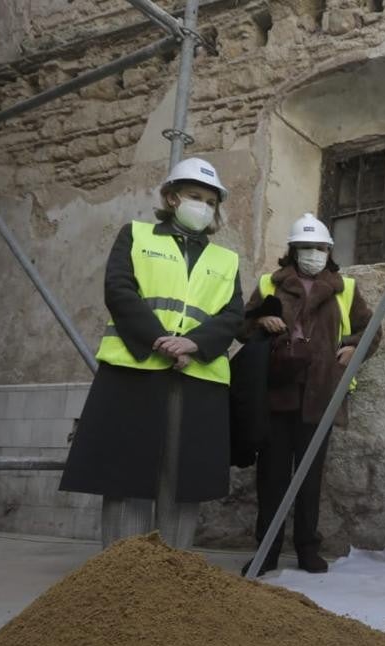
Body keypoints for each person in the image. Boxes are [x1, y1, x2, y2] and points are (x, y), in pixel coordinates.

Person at [61, 157, 243, 550]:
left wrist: (194, 343)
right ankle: (123, 572)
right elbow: (120, 290)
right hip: (137, 367)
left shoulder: (225, 260)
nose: (204, 207)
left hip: (197, 376)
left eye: (211, 202)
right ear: (172, 197)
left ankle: (171, 578)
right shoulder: (137, 235)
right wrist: (161, 340)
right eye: (195, 196)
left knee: (181, 480)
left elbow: (232, 315)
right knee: (129, 472)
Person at [240, 213, 381, 576]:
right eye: (305, 247)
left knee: (310, 476)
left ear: (329, 251)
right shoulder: (269, 284)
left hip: (321, 394)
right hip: (277, 393)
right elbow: (241, 326)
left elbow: (371, 331)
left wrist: (353, 349)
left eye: (318, 247)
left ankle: (307, 547)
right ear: (293, 250)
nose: (312, 253)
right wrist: (260, 322)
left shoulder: (344, 288)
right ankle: (266, 550)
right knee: (271, 476)